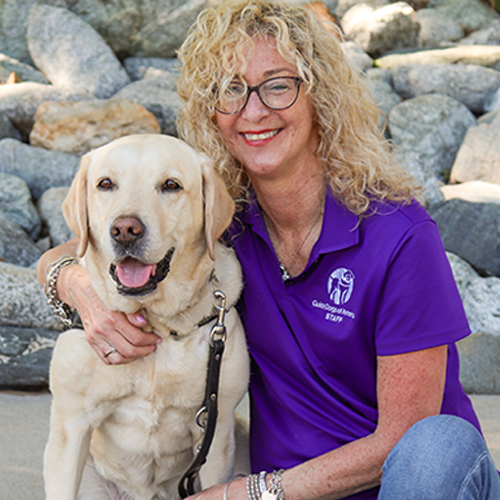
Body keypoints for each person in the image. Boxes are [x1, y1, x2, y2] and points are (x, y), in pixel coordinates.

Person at [38, 1, 500, 499]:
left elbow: (404, 438)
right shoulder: (223, 224)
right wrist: (80, 287)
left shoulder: (400, 235)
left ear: (319, 96)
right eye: (231, 90)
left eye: (278, 84)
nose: (253, 110)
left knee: (438, 443)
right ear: (211, 111)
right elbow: (77, 250)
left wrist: (253, 493)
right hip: (292, 494)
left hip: (408, 487)